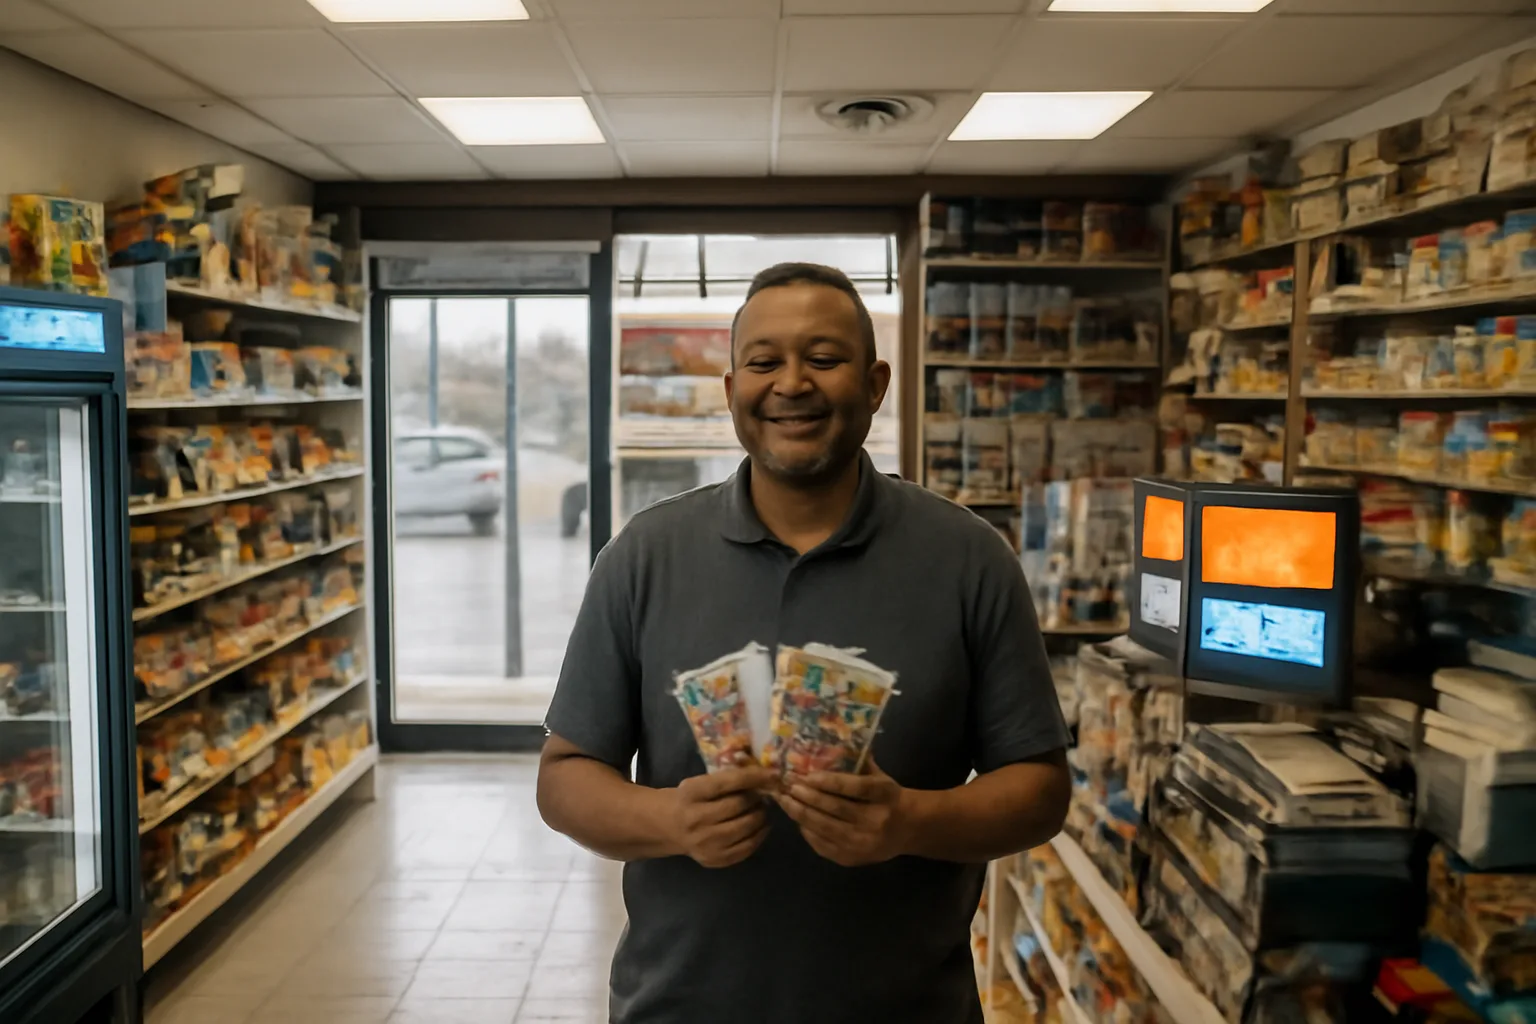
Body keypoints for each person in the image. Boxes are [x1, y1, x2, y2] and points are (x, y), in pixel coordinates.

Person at [538, 262, 1071, 1024]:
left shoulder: (970, 558)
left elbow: (1041, 790)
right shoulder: (644, 556)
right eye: (763, 362)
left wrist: (910, 821)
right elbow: (563, 778)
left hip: (909, 1008)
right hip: (679, 1007)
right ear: (731, 391)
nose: (792, 383)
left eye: (823, 358)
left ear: (876, 383)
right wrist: (671, 822)